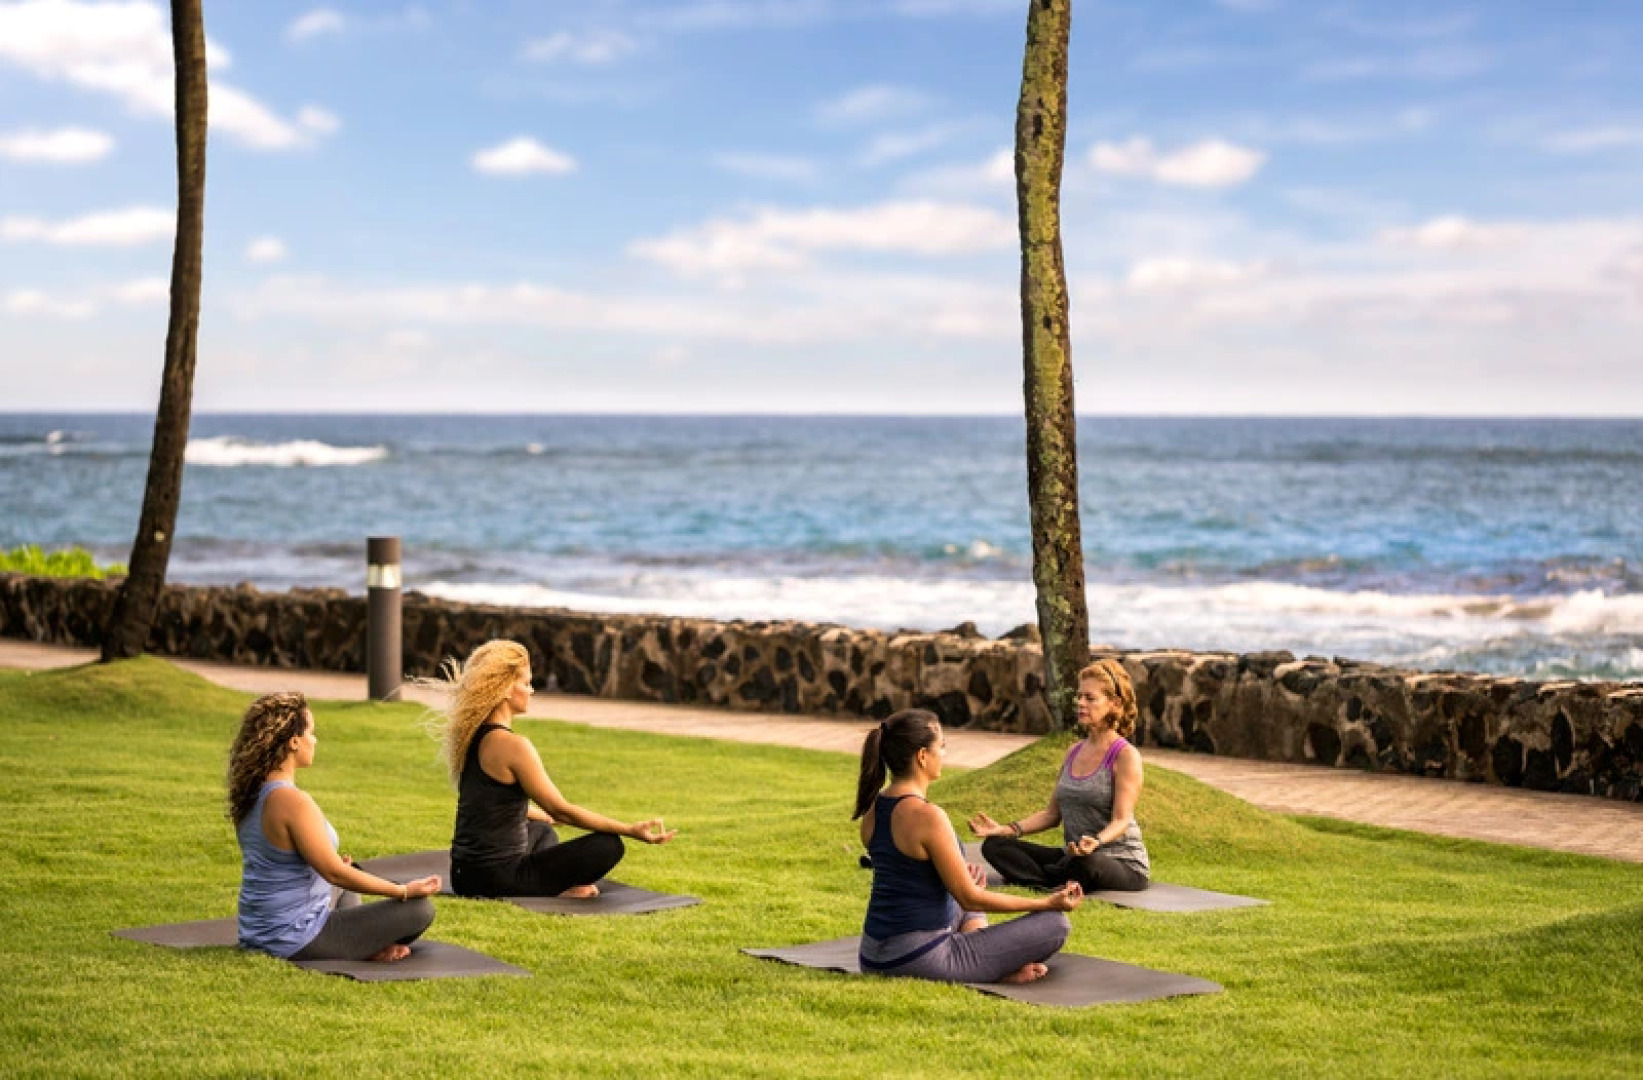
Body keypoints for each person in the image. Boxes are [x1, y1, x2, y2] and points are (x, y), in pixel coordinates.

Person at [431, 640, 675, 899]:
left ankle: (560, 884)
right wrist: (630, 830)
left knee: (542, 831)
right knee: (608, 845)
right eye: (526, 683)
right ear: (503, 689)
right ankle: (562, 890)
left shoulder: (471, 737)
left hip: (465, 876)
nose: (532, 690)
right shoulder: (513, 745)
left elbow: (488, 803)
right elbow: (562, 810)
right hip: (497, 880)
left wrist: (540, 815)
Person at [855, 709, 1082, 985]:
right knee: (1054, 924)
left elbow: (906, 879)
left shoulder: (873, 812)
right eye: (942, 746)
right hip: (918, 958)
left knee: (968, 893)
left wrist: (963, 886)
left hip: (872, 955)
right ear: (922, 756)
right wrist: (1045, 902)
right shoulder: (928, 816)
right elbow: (970, 899)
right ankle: (994, 969)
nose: (945, 754)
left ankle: (986, 962)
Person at [228, 692, 440, 962]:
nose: (314, 740)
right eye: (311, 733)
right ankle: (368, 949)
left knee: (351, 875)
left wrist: (335, 872)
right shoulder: (292, 801)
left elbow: (282, 865)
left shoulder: (251, 796)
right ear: (294, 742)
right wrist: (404, 891)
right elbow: (334, 874)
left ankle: (366, 946)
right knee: (419, 910)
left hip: (259, 932)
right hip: (292, 938)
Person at [969, 659, 1151, 893]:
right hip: (1072, 855)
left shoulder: (1125, 755)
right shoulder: (1073, 752)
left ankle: (1041, 879)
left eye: (1090, 698)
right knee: (995, 847)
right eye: (1080, 696)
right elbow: (1051, 815)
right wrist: (1006, 829)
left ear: (1114, 703)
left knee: (1085, 864)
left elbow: (1121, 821)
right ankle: (1052, 880)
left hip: (1119, 862)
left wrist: (1096, 841)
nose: (1080, 703)